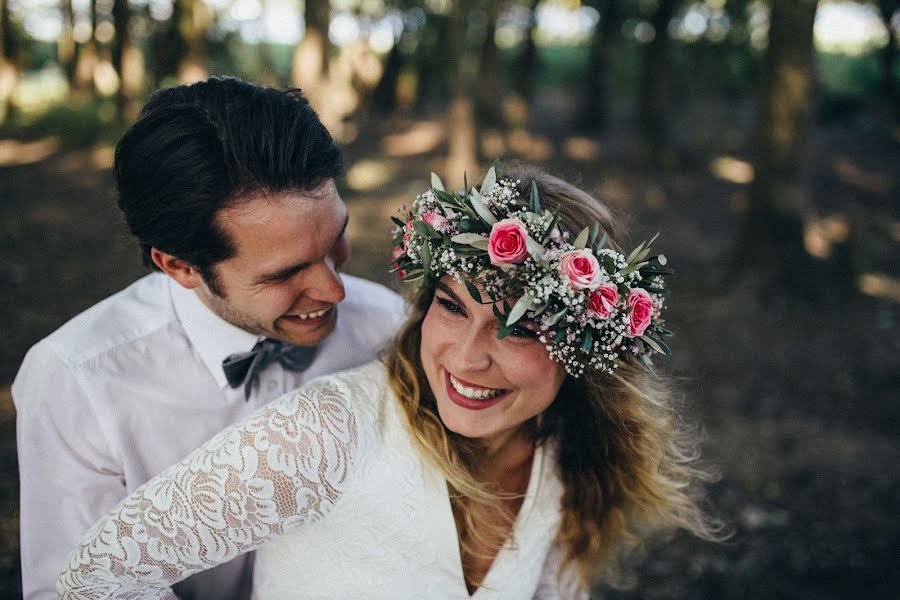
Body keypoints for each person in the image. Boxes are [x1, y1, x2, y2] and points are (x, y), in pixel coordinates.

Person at [57, 163, 719, 599]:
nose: (466, 356)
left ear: (583, 348)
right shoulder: (323, 435)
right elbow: (95, 574)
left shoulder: (568, 452)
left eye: (517, 328)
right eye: (453, 305)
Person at [13, 78, 405, 600]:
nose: (334, 290)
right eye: (283, 273)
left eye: (336, 241)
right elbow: (78, 588)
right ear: (179, 266)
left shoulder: (386, 324)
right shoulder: (76, 381)